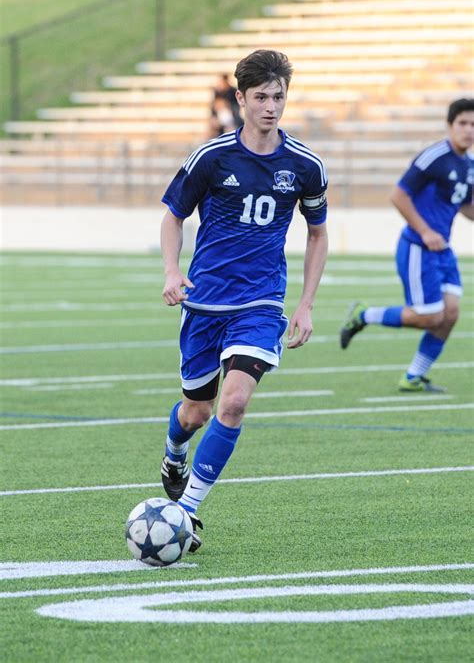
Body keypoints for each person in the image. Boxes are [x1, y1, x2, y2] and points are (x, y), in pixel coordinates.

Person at [159, 49, 329, 551]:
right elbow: (173, 215)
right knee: (196, 411)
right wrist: (172, 270)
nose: (271, 107)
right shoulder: (211, 157)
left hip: (260, 304)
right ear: (241, 99)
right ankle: (173, 451)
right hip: (205, 302)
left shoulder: (304, 165)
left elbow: (317, 234)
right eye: (261, 97)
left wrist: (305, 304)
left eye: (278, 97)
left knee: (232, 403)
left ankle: (185, 511)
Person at [340, 97, 474, 392]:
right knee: (429, 316)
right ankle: (364, 314)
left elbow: (466, 207)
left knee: (450, 314)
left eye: (473, 124)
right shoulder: (435, 156)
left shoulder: (469, 165)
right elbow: (399, 195)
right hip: (418, 246)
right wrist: (425, 231)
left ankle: (414, 376)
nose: (468, 130)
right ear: (450, 126)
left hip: (443, 249)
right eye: (463, 123)